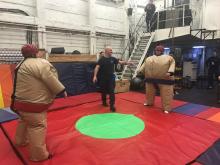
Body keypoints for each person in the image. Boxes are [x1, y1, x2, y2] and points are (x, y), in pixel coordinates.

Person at [11, 44, 67, 162]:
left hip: (19, 103)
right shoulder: (40, 63)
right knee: (37, 126)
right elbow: (50, 78)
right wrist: (61, 90)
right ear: (35, 53)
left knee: (24, 120)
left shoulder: (20, 64)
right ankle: (39, 155)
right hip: (34, 104)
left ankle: (20, 141)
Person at [138, 45, 175, 114]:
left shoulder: (169, 58)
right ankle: (149, 102)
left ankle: (167, 108)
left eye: (159, 50)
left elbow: (172, 64)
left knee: (166, 94)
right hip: (150, 79)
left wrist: (170, 72)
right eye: (156, 50)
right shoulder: (149, 58)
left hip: (164, 79)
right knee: (149, 92)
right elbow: (144, 65)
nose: (157, 51)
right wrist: (140, 71)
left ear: (162, 51)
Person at [93, 47, 132, 112]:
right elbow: (97, 68)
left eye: (112, 50)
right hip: (103, 78)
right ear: (106, 51)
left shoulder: (113, 59)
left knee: (111, 92)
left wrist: (127, 63)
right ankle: (104, 102)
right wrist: (94, 76)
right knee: (103, 91)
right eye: (110, 50)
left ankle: (112, 106)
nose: (112, 51)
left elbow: (120, 62)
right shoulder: (101, 60)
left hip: (111, 78)